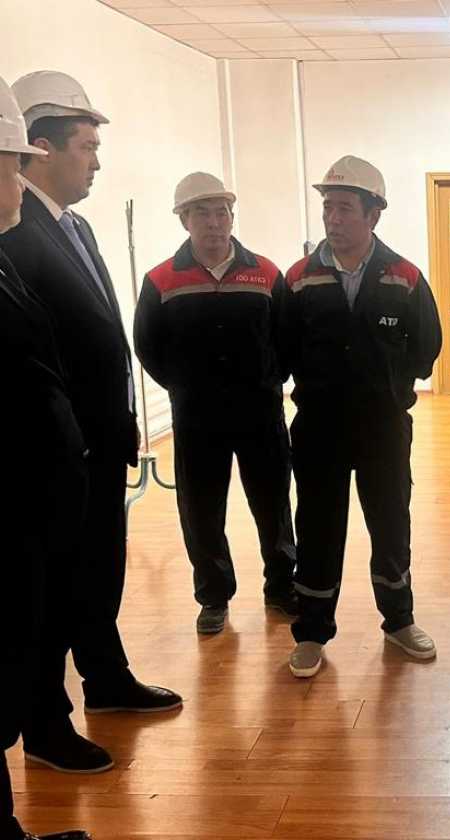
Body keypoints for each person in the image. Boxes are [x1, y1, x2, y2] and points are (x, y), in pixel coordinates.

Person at [0, 71, 181, 775]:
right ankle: (47, 724)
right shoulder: (16, 233)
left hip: (98, 443)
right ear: (39, 148)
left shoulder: (74, 225)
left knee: (97, 571)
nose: (98, 162)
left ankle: (106, 678)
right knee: (51, 591)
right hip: (56, 455)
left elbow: (98, 333)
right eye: (87, 146)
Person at [282, 155, 442, 677]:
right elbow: (280, 347)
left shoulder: (405, 277)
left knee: (391, 524)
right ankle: (311, 632)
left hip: (383, 428)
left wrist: (390, 390)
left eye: (345, 208)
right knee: (317, 528)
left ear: (373, 214)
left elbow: (426, 347)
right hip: (318, 430)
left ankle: (399, 621)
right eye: (328, 207)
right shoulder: (299, 278)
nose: (333, 219)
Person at [134, 173, 297, 635]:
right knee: (201, 509)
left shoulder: (265, 273)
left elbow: (287, 336)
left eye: (221, 212)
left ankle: (281, 586)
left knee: (272, 503)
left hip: (260, 412)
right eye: (202, 213)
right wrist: (183, 386)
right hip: (197, 418)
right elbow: (147, 345)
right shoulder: (161, 279)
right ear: (184, 220)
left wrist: (271, 379)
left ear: (231, 217)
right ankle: (213, 595)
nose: (214, 222)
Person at [0, 73, 93, 840]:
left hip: (45, 485)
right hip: (16, 501)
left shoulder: (13, 252)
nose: (18, 183)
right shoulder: (19, 244)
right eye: (12, 166)